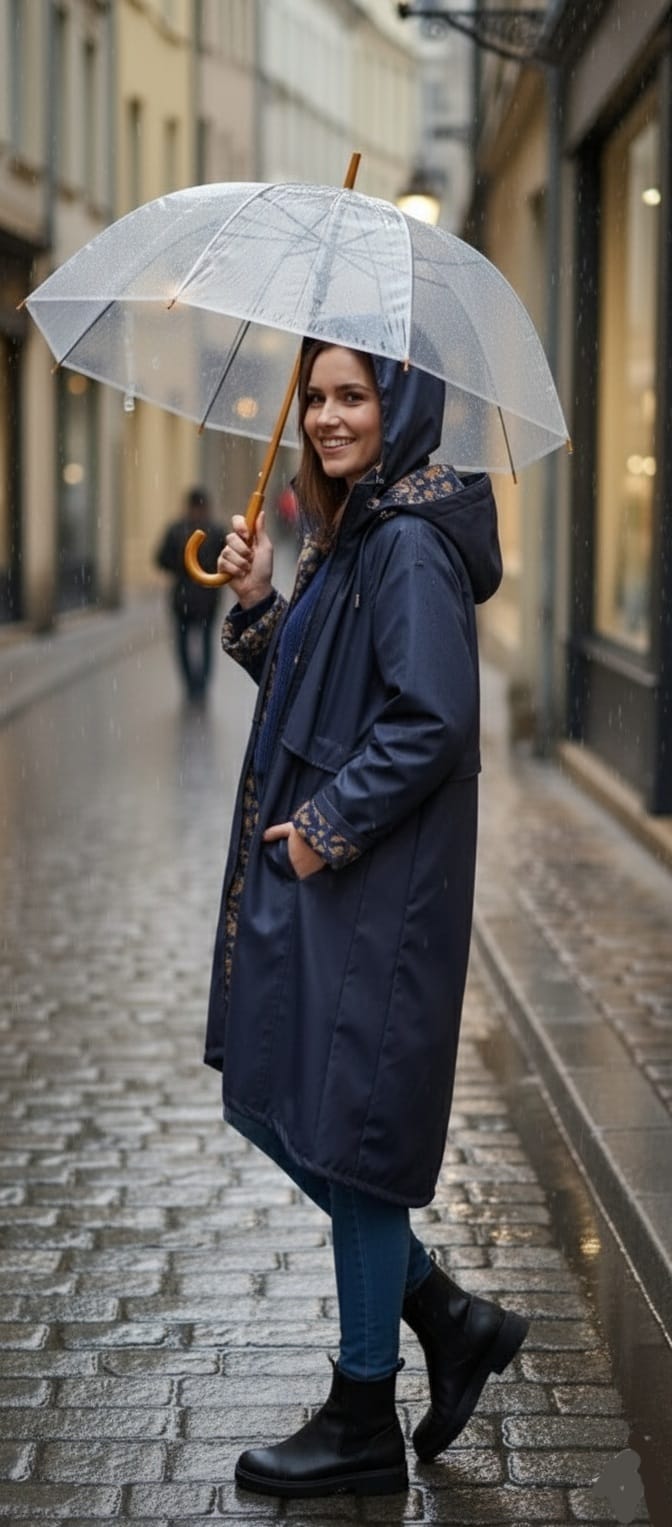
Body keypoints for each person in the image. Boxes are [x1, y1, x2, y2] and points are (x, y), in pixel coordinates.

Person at [204, 341, 528, 1500]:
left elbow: (433, 720)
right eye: (317, 397)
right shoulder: (357, 531)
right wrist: (259, 607)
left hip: (379, 894)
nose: (329, 417)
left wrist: (325, 826)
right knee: (274, 1107)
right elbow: (325, 694)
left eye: (354, 395)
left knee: (351, 1141)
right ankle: (444, 1314)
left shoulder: (407, 544)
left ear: (400, 405)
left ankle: (361, 1415)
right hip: (346, 889)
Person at [155, 485, 225, 702]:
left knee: (189, 643)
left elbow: (161, 560)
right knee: (199, 642)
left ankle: (195, 686)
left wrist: (178, 569)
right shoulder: (214, 530)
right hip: (203, 598)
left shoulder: (177, 530)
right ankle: (198, 686)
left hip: (187, 597)